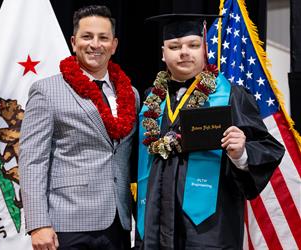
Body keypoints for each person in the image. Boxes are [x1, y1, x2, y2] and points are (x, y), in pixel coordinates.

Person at [136, 14, 285, 249]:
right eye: (174, 47)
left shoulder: (231, 95)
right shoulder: (150, 101)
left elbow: (269, 148)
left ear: (205, 49)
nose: (184, 52)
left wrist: (242, 153)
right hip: (156, 223)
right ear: (163, 53)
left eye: (193, 45)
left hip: (210, 231)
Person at [19, 5, 139, 250]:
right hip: (68, 223)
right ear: (74, 42)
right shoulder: (47, 91)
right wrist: (38, 224)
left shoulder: (131, 95)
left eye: (103, 38)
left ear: (114, 45)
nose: (96, 44)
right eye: (87, 36)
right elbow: (32, 161)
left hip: (119, 222)